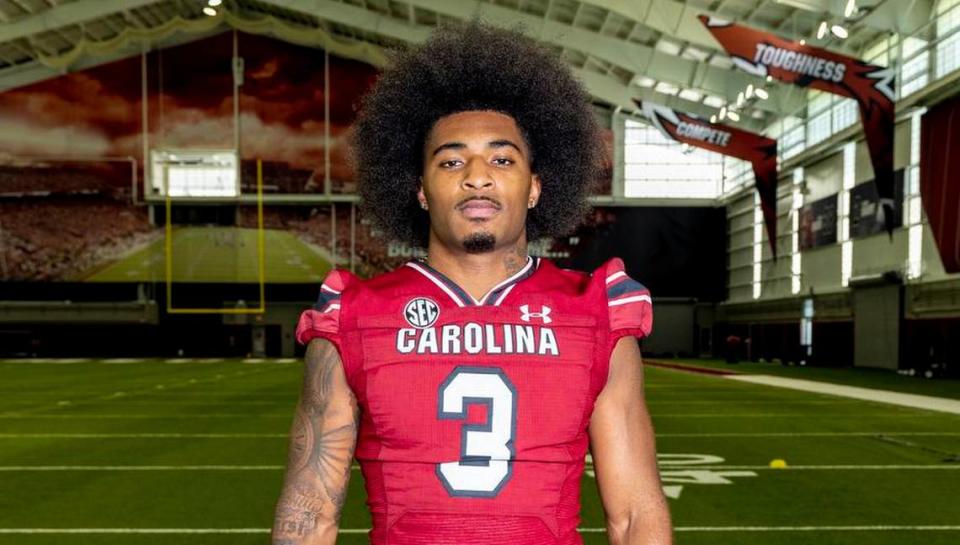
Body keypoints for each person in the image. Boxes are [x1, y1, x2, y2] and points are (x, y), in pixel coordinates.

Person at [273, 22, 673, 545]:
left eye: (502, 159)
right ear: (419, 190)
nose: (477, 175)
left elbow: (634, 512)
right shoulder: (353, 314)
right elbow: (310, 508)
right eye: (452, 160)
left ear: (534, 188)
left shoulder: (594, 313)